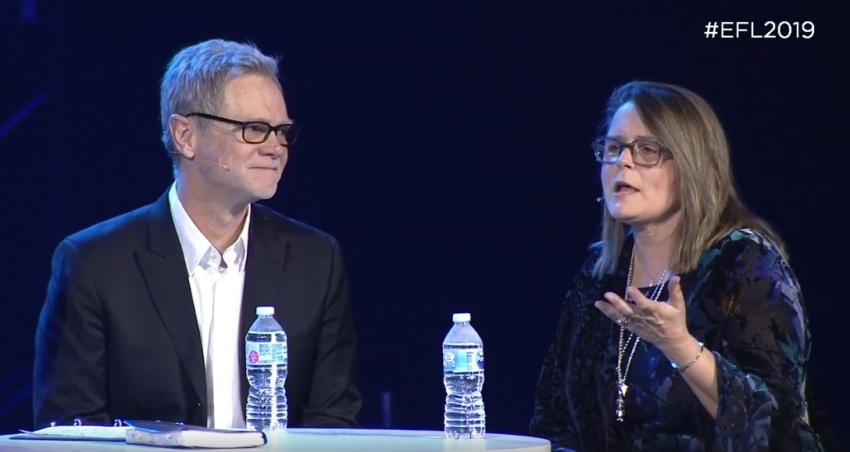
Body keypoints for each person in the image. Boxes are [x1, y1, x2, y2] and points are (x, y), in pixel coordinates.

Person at [33, 38, 361, 429]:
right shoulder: (94, 263)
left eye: (281, 131)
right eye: (255, 129)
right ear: (185, 136)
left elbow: (333, 421)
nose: (275, 147)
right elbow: (72, 428)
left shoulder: (315, 260)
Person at [528, 81, 832, 450]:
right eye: (613, 148)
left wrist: (680, 346)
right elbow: (552, 418)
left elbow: (776, 428)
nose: (622, 161)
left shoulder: (745, 263)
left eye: (646, 150)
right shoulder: (599, 273)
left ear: (692, 166)